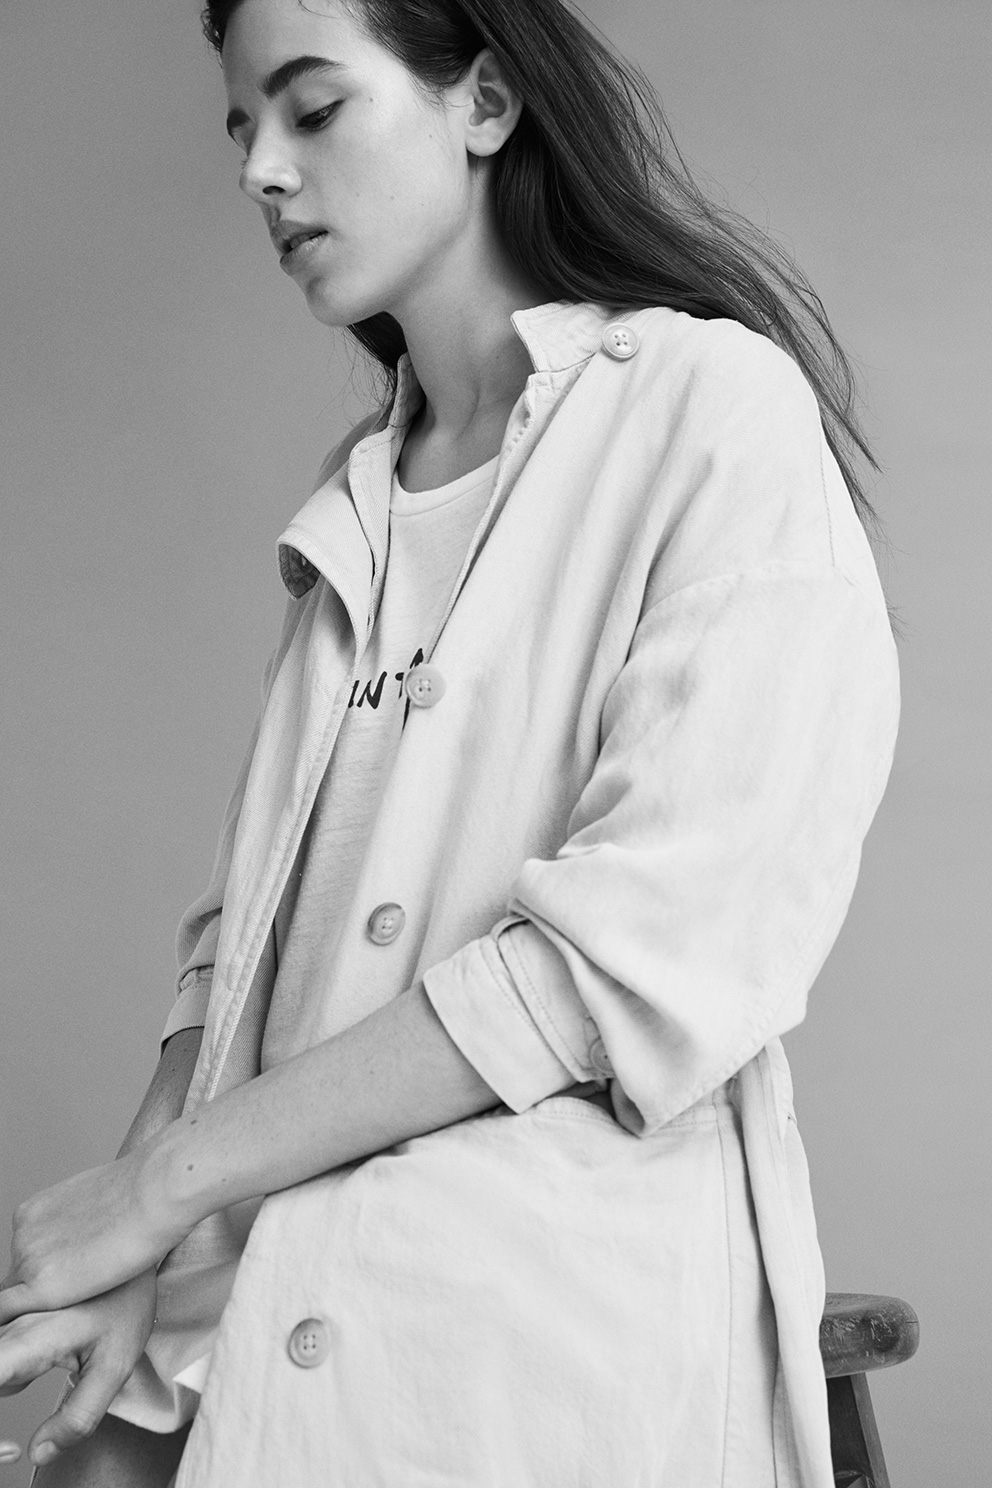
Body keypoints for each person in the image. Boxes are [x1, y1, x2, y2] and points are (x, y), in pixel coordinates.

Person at [0, 0, 900, 1482]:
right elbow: (239, 952)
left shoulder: (711, 412)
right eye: (242, 129)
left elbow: (635, 960)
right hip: (258, 1299)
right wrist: (130, 1239)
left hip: (533, 1338)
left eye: (312, 109)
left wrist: (165, 1187)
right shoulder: (360, 500)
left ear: (485, 101)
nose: (261, 171)